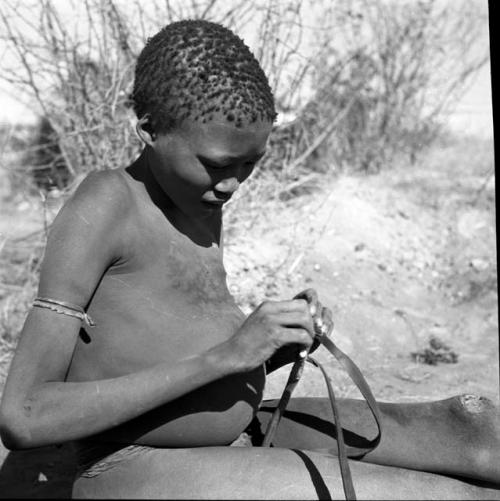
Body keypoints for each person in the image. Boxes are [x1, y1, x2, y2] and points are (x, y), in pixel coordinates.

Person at [0, 20, 498, 500]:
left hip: (245, 427)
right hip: (131, 463)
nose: (233, 185)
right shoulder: (107, 203)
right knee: (442, 497)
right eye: (218, 165)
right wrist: (227, 356)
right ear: (149, 130)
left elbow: (161, 341)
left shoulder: (197, 202)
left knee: (470, 431)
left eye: (249, 165)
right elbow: (23, 415)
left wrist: (272, 344)